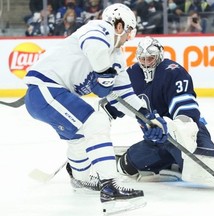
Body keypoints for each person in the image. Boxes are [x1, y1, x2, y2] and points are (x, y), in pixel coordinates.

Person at [23, 3, 168, 214]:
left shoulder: (116, 56)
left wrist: (147, 116)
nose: (129, 38)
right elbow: (95, 48)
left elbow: (124, 96)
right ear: (119, 26)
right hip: (46, 89)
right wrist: (104, 72)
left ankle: (81, 179)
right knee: (96, 122)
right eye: (129, 31)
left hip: (52, 95)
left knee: (80, 136)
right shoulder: (99, 28)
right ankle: (110, 187)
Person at [101, 36, 214, 179]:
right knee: (127, 167)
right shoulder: (131, 74)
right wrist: (95, 128)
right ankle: (171, 162)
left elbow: (186, 112)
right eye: (142, 59)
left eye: (150, 58)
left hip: (187, 136)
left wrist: (175, 128)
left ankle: (179, 159)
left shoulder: (174, 72)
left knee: (207, 167)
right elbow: (112, 106)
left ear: (159, 56)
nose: (146, 63)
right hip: (155, 140)